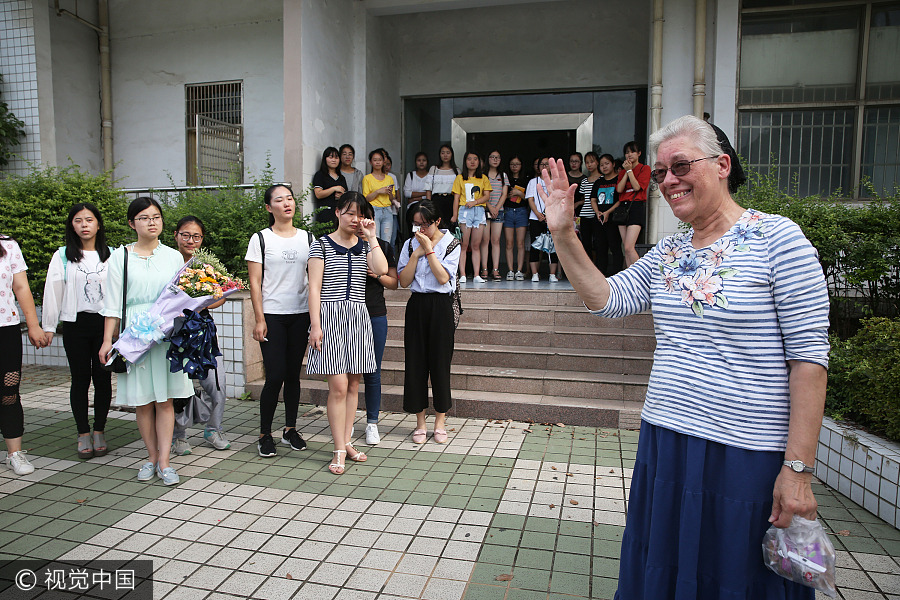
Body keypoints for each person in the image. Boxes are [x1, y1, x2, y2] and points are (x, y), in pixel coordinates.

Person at [540, 115, 828, 599]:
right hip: (667, 439)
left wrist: (797, 471)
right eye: (660, 172)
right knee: (666, 566)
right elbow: (606, 299)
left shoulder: (779, 240)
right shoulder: (669, 250)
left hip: (744, 453)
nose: (669, 181)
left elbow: (808, 362)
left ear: (721, 165)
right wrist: (564, 232)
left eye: (680, 166)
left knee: (735, 575)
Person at [99, 198, 194, 486]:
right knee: (143, 401)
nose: (152, 222)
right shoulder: (120, 257)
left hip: (165, 333)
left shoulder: (173, 257)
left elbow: (183, 298)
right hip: (135, 334)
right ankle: (150, 456)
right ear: (132, 223)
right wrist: (107, 340)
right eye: (144, 217)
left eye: (156, 217)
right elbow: (113, 304)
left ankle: (164, 461)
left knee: (165, 399)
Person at [307, 192, 388, 474]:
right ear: (338, 212)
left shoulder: (365, 245)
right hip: (329, 318)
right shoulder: (321, 246)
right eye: (350, 213)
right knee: (339, 387)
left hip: (358, 317)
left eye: (361, 214)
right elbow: (314, 288)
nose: (356, 219)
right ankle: (339, 448)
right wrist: (315, 325)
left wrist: (372, 237)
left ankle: (346, 441)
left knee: (354, 385)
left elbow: (381, 269)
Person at [42, 203, 113, 459]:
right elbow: (53, 291)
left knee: (103, 379)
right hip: (75, 325)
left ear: (98, 224)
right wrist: (48, 326)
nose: (84, 225)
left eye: (89, 220)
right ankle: (83, 432)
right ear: (72, 225)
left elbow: (120, 292)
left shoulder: (111, 255)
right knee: (80, 378)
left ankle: (100, 430)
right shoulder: (63, 255)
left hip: (105, 326)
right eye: (78, 220)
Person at [245, 184, 312, 458]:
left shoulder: (308, 238)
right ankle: (264, 434)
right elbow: (254, 281)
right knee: (274, 376)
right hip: (272, 315)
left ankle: (290, 429)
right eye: (279, 200)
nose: (287, 203)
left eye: (290, 198)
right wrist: (259, 319)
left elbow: (315, 277)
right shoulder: (261, 238)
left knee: (293, 376)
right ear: (268, 207)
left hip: (300, 314)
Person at [397, 200, 461, 445]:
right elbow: (404, 281)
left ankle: (440, 421)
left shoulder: (451, 243)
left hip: (441, 306)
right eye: (416, 224)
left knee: (440, 364)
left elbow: (444, 277)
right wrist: (416, 253)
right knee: (415, 364)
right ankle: (420, 423)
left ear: (437, 222)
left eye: (425, 224)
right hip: (417, 305)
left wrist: (430, 251)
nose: (420, 230)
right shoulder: (409, 244)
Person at [170, 216, 231, 455]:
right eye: (185, 235)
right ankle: (179, 436)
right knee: (179, 387)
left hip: (203, 332)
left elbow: (223, 293)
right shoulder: (168, 262)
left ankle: (213, 428)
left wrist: (202, 303)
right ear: (176, 235)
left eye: (196, 236)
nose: (190, 240)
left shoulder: (206, 264)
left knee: (218, 382)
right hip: (175, 333)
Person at [1, 234, 45, 476]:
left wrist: (33, 324)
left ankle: (14, 454)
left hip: (5, 328)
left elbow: (21, 286)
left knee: (9, 392)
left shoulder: (8, 246)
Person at [359, 201, 399, 445]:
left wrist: (376, 274)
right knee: (348, 373)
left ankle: (372, 422)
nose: (360, 222)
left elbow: (394, 283)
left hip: (375, 313)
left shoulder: (382, 246)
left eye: (365, 217)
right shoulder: (341, 245)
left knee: (372, 371)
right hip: (345, 315)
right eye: (355, 215)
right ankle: (345, 422)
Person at [451, 150, 491, 283]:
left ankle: (476, 275)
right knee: (463, 245)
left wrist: (475, 202)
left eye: (475, 159)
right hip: (464, 212)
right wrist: (454, 215)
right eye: (469, 159)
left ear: (479, 162)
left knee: (476, 245)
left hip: (479, 211)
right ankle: (462, 274)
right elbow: (456, 198)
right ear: (465, 161)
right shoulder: (460, 178)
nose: (472, 162)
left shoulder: (483, 178)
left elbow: (487, 196)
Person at [616, 140, 651, 267]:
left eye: (632, 152)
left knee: (629, 247)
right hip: (623, 208)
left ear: (639, 153)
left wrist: (630, 171)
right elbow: (619, 189)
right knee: (626, 249)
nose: (629, 155)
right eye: (626, 153)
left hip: (635, 206)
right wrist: (626, 171)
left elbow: (637, 187)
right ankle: (629, 277)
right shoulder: (622, 171)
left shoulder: (644, 168)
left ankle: (640, 275)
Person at [527, 157, 558, 282]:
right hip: (536, 218)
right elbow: (530, 199)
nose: (544, 166)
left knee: (553, 246)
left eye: (547, 164)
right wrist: (538, 213)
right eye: (542, 164)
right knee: (535, 246)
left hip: (552, 218)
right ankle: (535, 274)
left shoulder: (555, 182)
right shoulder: (533, 182)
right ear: (538, 167)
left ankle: (552, 274)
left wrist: (550, 214)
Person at [593, 153, 624, 276]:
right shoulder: (598, 182)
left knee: (615, 246)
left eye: (607, 164)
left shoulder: (619, 180)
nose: (604, 167)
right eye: (601, 165)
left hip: (614, 219)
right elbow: (593, 199)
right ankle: (601, 274)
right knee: (600, 247)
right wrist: (597, 212)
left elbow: (620, 200)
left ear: (613, 164)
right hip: (600, 219)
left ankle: (617, 274)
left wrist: (608, 212)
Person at [483, 150, 509, 281]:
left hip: (499, 211)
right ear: (488, 159)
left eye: (497, 157)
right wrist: (490, 207)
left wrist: (497, 208)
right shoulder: (482, 175)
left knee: (496, 241)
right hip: (485, 210)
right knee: (485, 241)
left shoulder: (503, 175)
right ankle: (484, 269)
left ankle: (495, 269)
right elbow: (481, 194)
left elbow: (504, 194)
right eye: (492, 157)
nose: (495, 159)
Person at [362, 149, 397, 242]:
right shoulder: (367, 178)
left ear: (383, 161)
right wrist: (378, 191)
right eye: (375, 160)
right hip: (373, 210)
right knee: (374, 239)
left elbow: (392, 198)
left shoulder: (389, 178)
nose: (377, 162)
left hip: (387, 210)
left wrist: (389, 193)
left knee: (387, 240)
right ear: (370, 162)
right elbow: (366, 198)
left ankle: (385, 257)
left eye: (380, 160)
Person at [503, 155, 529, 280]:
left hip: (521, 211)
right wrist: (508, 196)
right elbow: (501, 196)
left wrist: (519, 193)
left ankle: (519, 270)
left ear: (521, 166)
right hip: (507, 211)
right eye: (512, 164)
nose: (514, 166)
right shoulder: (505, 179)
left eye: (517, 164)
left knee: (520, 243)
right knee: (509, 243)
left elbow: (530, 199)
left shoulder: (526, 179)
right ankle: (510, 270)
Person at [575, 152, 601, 268]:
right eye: (587, 162)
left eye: (592, 161)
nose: (589, 165)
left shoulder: (602, 179)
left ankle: (597, 267)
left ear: (597, 162)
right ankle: (587, 267)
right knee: (585, 243)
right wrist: (577, 204)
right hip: (584, 215)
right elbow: (584, 198)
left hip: (597, 214)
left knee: (598, 242)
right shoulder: (585, 181)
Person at [312, 147, 348, 229]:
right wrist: (334, 188)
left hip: (339, 214)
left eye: (336, 157)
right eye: (331, 157)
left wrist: (342, 196)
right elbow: (318, 194)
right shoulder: (320, 175)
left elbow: (346, 195)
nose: (334, 160)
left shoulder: (342, 178)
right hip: (325, 214)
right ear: (325, 159)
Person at [426, 144, 459, 228]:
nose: (445, 155)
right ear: (439, 155)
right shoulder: (433, 169)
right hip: (436, 200)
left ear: (452, 154)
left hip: (451, 201)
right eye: (443, 153)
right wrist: (428, 206)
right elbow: (428, 189)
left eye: (448, 153)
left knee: (450, 227)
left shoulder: (457, 171)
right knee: (437, 226)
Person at [404, 152, 431, 241]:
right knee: (413, 232)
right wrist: (424, 193)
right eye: (419, 160)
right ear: (415, 162)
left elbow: (431, 194)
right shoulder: (411, 175)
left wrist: (415, 196)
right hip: (412, 207)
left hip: (426, 207)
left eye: (424, 160)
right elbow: (407, 193)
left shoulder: (430, 176)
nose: (421, 162)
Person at [382, 151, 402, 249]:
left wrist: (393, 201)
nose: (385, 166)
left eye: (388, 164)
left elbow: (398, 196)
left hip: (392, 211)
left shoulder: (392, 177)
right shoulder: (371, 177)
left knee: (392, 239)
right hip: (378, 210)